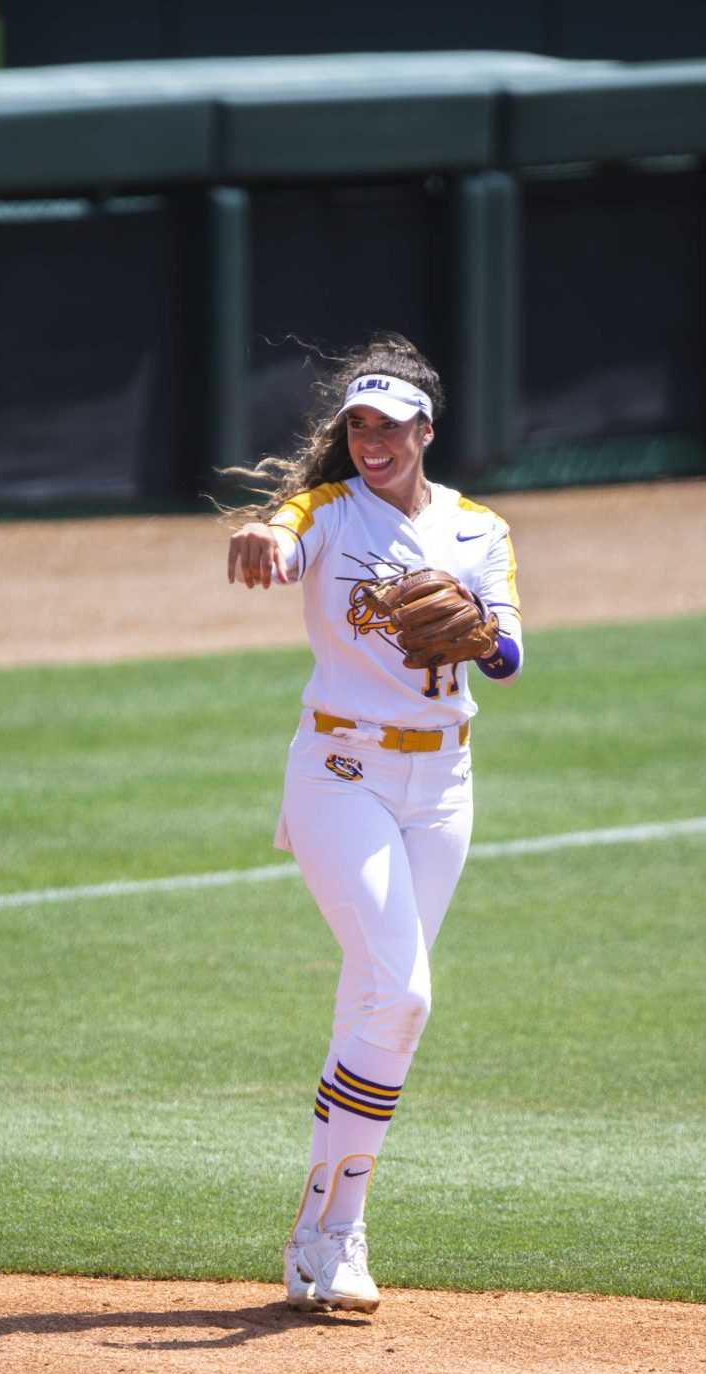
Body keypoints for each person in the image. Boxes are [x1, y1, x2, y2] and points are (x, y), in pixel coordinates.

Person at [223, 335, 526, 1315]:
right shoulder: (325, 511)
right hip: (340, 774)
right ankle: (339, 1229)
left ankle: (319, 1238)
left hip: (442, 787)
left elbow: (511, 655)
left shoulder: (480, 528)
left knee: (377, 1006)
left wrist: (481, 634)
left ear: (425, 431)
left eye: (390, 426)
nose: (371, 442)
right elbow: (283, 530)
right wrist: (267, 544)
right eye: (358, 425)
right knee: (403, 994)